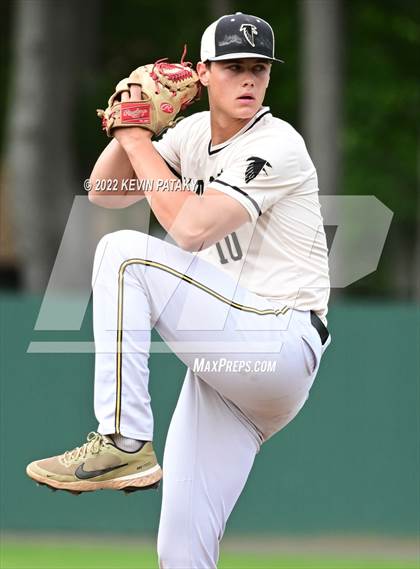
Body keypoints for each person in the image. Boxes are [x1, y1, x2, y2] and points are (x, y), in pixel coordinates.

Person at [26, 12, 331, 569]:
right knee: (181, 547)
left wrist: (139, 136)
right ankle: (129, 447)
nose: (248, 79)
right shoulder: (192, 136)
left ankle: (123, 440)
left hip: (279, 340)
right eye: (234, 66)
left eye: (259, 69)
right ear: (205, 73)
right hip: (230, 369)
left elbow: (191, 227)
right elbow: (105, 190)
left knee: (123, 256)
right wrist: (126, 130)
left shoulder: (276, 144)